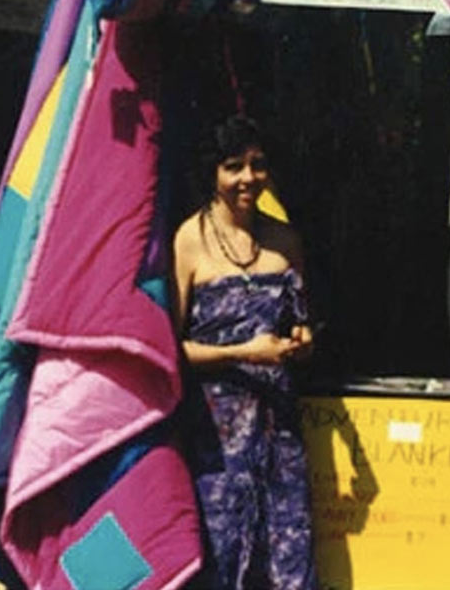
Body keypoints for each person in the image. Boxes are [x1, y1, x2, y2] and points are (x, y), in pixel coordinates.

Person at [172, 114, 317, 590]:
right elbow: (171, 349)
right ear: (213, 172)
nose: (247, 179)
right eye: (234, 166)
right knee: (221, 555)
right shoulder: (188, 241)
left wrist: (301, 343)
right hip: (215, 439)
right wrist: (242, 353)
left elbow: (301, 324)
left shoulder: (286, 240)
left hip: (279, 436)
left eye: (257, 166)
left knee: (287, 560)